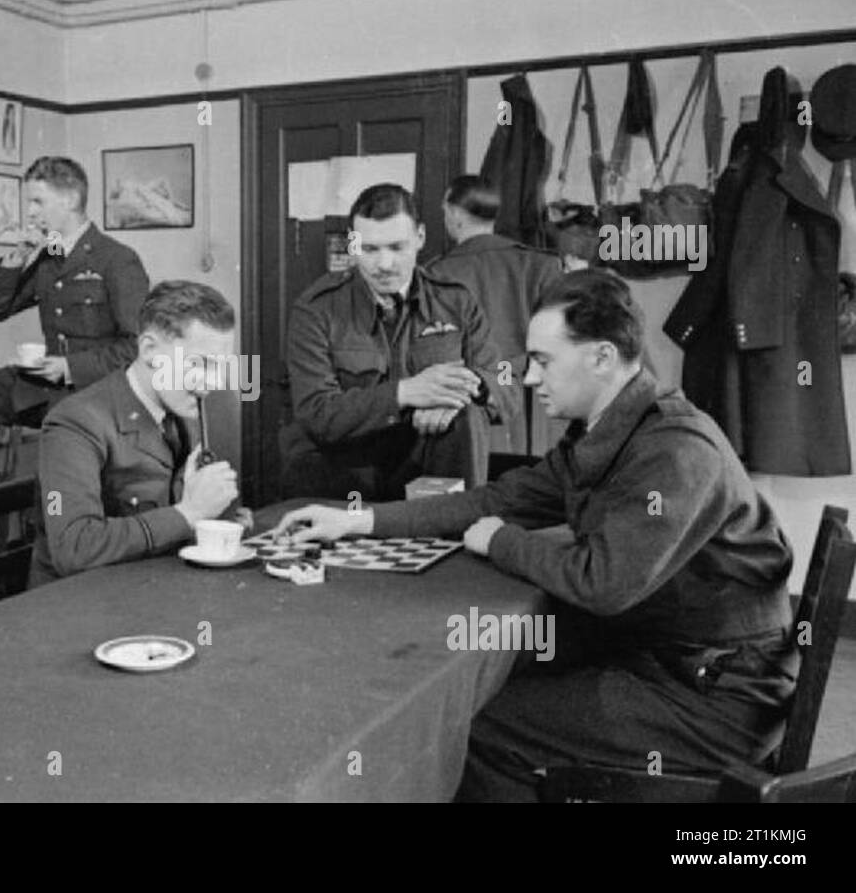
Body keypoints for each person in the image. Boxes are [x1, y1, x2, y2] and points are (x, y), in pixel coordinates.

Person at [276, 269, 797, 802]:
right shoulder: (616, 429)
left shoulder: (675, 451)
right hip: (667, 653)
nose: (527, 379)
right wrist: (358, 521)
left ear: (600, 358)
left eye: (544, 361)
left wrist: (501, 541)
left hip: (713, 697)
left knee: (472, 725)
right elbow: (494, 500)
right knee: (491, 673)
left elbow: (603, 584)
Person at [0, 156, 150, 556]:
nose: (29, 212)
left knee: (58, 491)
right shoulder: (47, 258)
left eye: (38, 202)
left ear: (71, 198)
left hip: (92, 394)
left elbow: (137, 346)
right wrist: (16, 258)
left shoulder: (117, 260)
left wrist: (70, 367)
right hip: (42, 387)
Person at [281, 182, 516, 502]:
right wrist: (406, 393)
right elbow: (317, 414)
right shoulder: (316, 310)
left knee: (467, 415)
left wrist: (462, 391)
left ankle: (455, 530)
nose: (385, 264)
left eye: (396, 247)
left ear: (420, 237)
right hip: (347, 476)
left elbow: (505, 380)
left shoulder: (456, 301)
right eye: (370, 249)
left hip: (430, 468)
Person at [31, 281, 239, 586]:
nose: (211, 382)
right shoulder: (74, 423)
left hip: (156, 588)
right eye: (199, 364)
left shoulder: (186, 409)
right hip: (81, 606)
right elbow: (74, 549)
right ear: (149, 349)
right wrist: (189, 512)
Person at [427, 175, 564, 454]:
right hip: (538, 406)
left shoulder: (434, 274)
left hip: (469, 407)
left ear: (454, 213)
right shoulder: (542, 264)